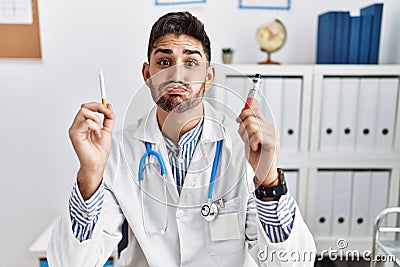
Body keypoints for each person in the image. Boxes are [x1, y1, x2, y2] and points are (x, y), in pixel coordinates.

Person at [48, 11, 315, 266]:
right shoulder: (116, 151)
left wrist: (268, 181)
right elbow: (69, 263)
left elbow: (292, 263)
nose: (176, 75)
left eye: (191, 63)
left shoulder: (243, 149)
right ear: (147, 74)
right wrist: (90, 174)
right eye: (164, 62)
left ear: (209, 76)